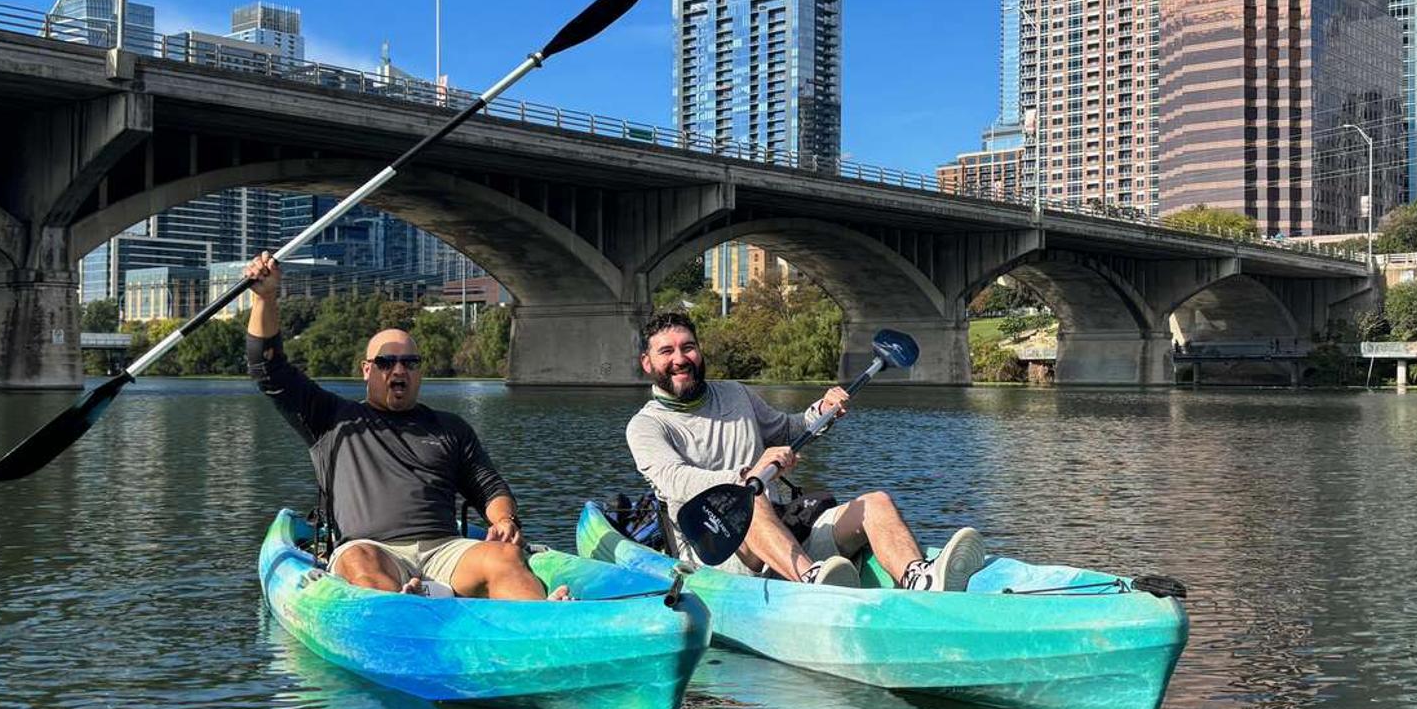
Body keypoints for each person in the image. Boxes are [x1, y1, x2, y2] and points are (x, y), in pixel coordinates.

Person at [242, 251, 564, 600]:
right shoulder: (331, 418)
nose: (398, 371)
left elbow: (489, 487)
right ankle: (402, 607)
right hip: (372, 549)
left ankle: (544, 622)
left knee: (504, 556)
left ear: (419, 371)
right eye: (386, 362)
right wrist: (266, 297)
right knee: (359, 561)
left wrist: (504, 522)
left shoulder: (450, 428)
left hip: (445, 550)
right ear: (367, 370)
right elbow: (268, 370)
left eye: (409, 362)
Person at [625, 311, 985, 591]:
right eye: (666, 351)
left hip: (783, 529)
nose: (680, 358)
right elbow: (674, 480)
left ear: (699, 351)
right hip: (716, 549)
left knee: (875, 503)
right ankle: (813, 584)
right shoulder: (646, 425)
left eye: (688, 347)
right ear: (647, 362)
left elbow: (787, 430)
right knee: (751, 503)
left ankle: (920, 579)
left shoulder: (735, 393)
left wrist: (821, 411)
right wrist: (746, 477)